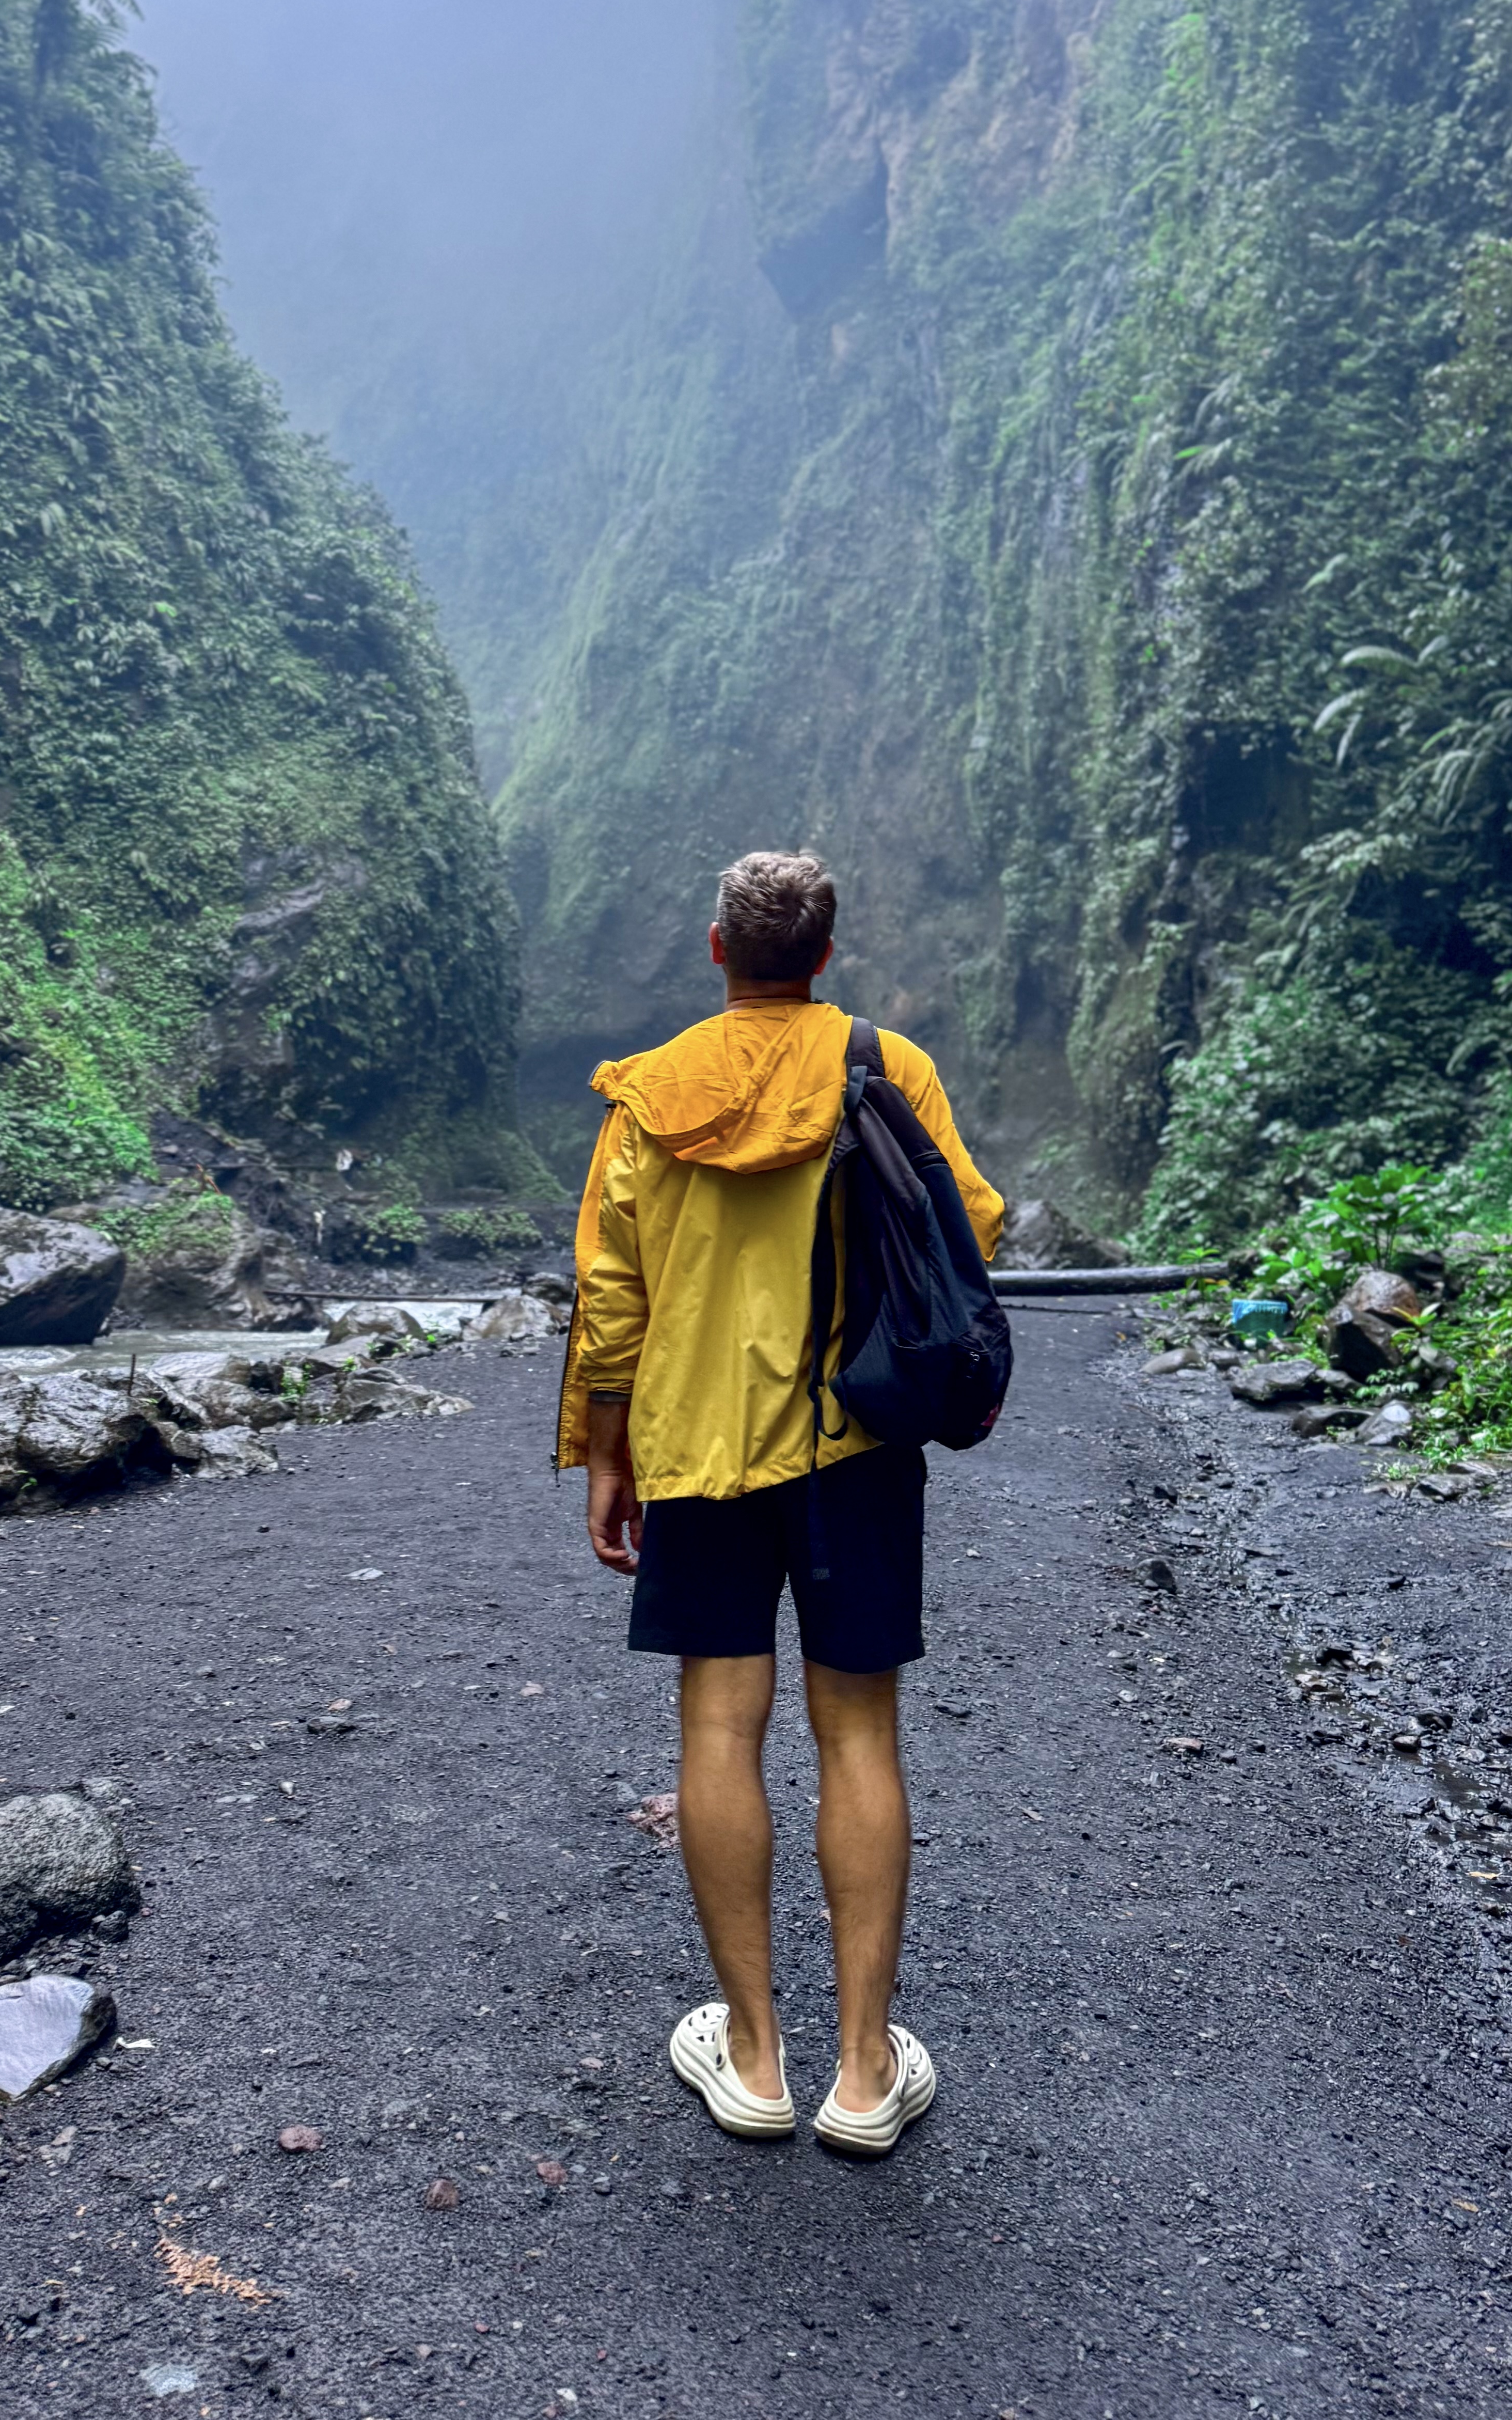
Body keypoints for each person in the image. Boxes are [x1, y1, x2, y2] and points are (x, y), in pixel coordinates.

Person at [555, 850, 1002, 2155]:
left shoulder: (651, 1094)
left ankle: (753, 2059)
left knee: (718, 1726)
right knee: (860, 1735)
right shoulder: (886, 1065)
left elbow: (614, 1291)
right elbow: (965, 1220)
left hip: (698, 1450)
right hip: (856, 1445)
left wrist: (604, 1450)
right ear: (822, 953)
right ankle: (865, 2077)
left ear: (717, 950)